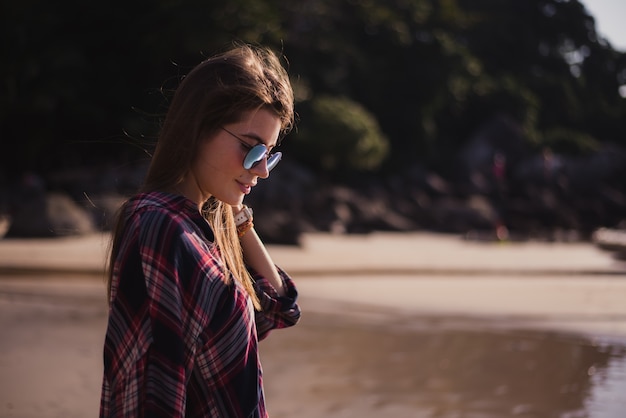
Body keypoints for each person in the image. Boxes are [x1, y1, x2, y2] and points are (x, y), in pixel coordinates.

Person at [99, 43, 301, 417]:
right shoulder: (159, 225)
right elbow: (154, 390)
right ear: (198, 128)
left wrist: (238, 220)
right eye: (251, 149)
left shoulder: (203, 231)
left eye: (269, 154)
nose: (263, 171)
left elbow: (278, 307)